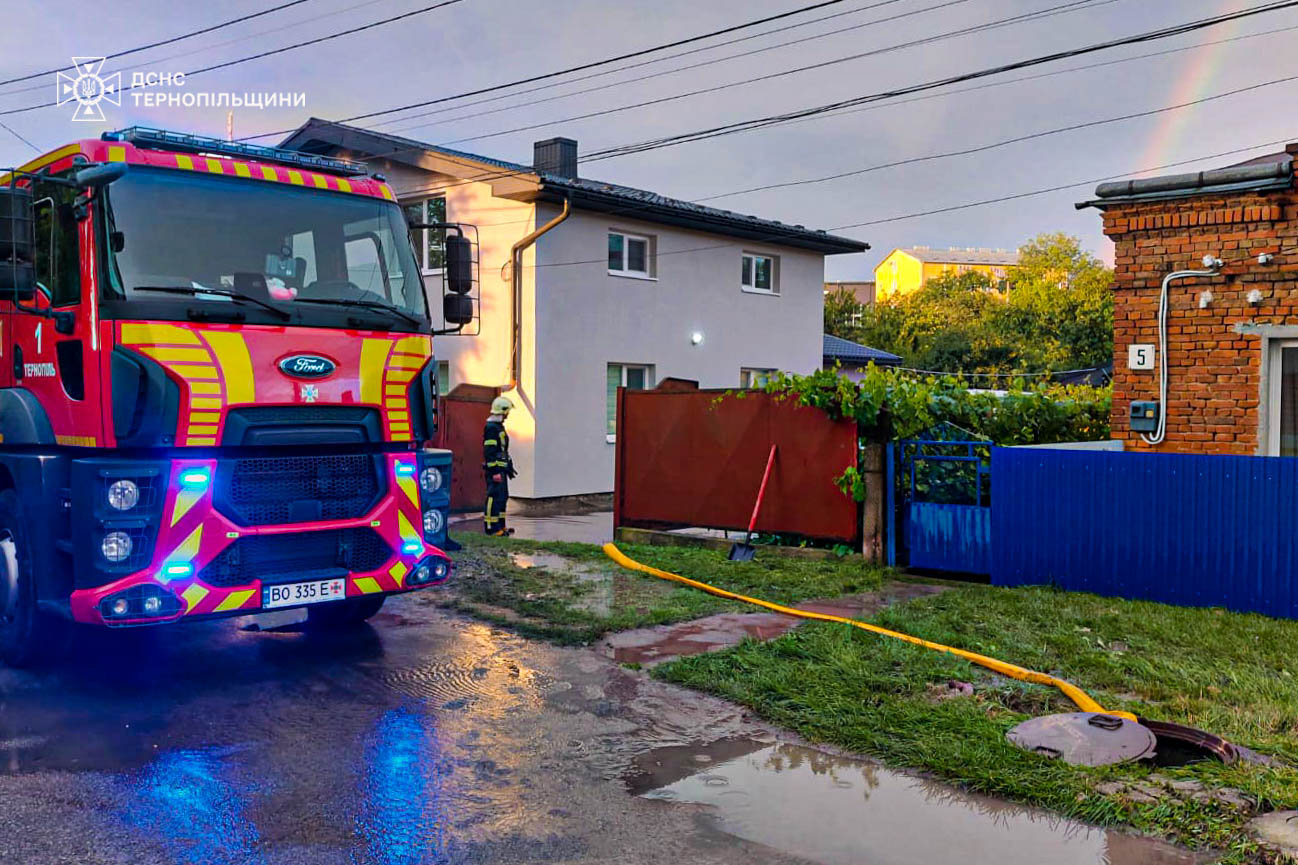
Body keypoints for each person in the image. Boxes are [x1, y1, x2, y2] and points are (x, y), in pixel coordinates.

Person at [483, 396, 517, 536]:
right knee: (493, 497)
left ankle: (501, 526)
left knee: (503, 497)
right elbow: (489, 452)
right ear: (502, 411)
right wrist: (495, 471)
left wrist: (507, 468)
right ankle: (491, 527)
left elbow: (502, 450)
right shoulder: (491, 428)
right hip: (495, 471)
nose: (508, 415)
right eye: (507, 412)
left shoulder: (498, 426)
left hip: (501, 469)